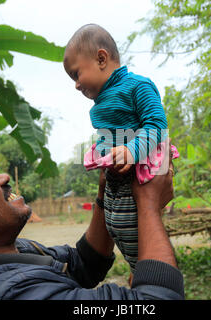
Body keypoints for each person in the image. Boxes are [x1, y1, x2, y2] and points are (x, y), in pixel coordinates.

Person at [0, 144, 183, 300]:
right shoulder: (10, 294)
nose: (2, 178)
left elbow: (83, 264)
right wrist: (147, 206)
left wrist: (105, 194)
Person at [63, 24, 179, 275]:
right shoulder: (101, 101)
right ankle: (141, 275)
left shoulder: (137, 86)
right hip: (116, 181)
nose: (75, 85)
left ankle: (153, 280)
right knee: (118, 229)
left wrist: (131, 150)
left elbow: (157, 125)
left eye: (76, 74)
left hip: (137, 177)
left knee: (137, 237)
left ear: (101, 59)